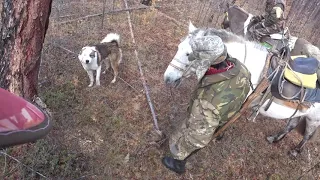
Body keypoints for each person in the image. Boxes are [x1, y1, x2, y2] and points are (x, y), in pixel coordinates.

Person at [161, 36, 251, 174]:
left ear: (207, 63)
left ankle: (178, 163)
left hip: (211, 116)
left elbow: (198, 138)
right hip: (228, 110)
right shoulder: (240, 67)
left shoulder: (207, 102)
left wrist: (179, 151)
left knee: (195, 135)